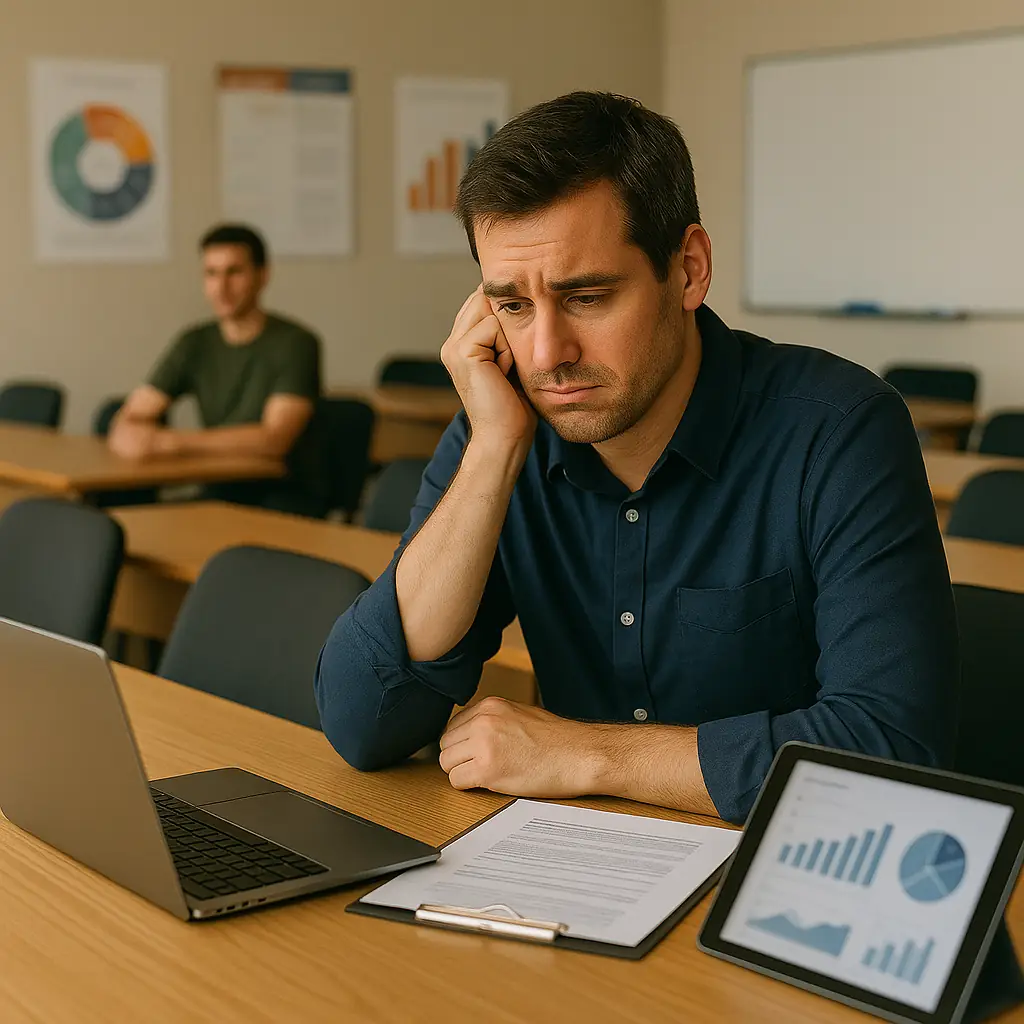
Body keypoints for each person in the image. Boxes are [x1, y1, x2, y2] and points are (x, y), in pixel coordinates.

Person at [315, 92, 958, 824]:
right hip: (577, 866)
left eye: (586, 297)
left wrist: (592, 754)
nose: (547, 354)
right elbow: (364, 723)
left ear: (688, 270)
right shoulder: (504, 427)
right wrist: (492, 449)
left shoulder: (839, 429)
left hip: (781, 865)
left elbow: (893, 754)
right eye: (513, 307)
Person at [108, 224, 326, 516]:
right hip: (219, 487)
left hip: (282, 495)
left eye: (234, 273)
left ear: (262, 275)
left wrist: (168, 442)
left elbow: (274, 439)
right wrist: (127, 433)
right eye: (211, 273)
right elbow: (133, 414)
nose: (221, 288)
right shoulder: (195, 341)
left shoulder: (296, 343)